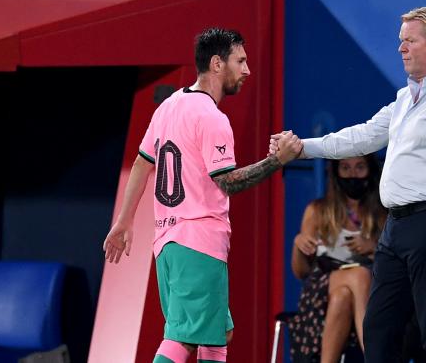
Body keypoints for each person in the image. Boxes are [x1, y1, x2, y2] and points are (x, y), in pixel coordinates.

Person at [271, 5, 426, 363]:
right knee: (378, 328)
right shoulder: (407, 97)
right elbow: (362, 137)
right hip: (397, 226)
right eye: (400, 41)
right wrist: (302, 149)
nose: (401, 48)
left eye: (409, 41)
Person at [103, 27, 302, 363]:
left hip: (169, 244)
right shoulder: (212, 117)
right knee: (182, 339)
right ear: (217, 63)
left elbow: (141, 162)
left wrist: (124, 222)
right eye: (240, 61)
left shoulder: (169, 105)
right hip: (197, 243)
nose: (247, 71)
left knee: (217, 333)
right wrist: (275, 162)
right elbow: (229, 183)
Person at [289, 155, 387, 363]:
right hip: (320, 289)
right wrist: (298, 243)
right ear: (336, 173)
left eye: (360, 167)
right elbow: (301, 272)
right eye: (346, 168)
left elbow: (396, 264)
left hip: (367, 292)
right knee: (359, 275)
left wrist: (373, 247)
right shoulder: (317, 210)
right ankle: (374, 356)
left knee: (343, 296)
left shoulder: (381, 213)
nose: (353, 174)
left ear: (370, 171)